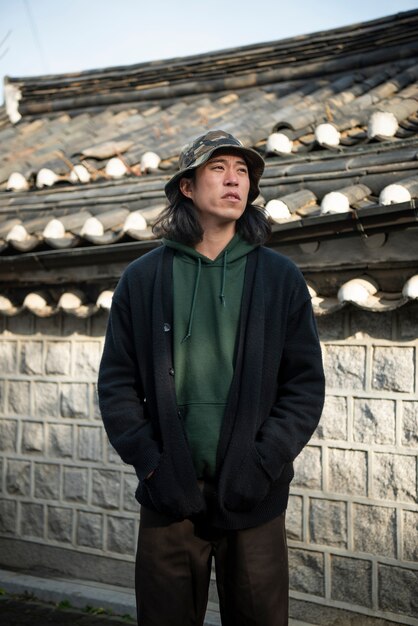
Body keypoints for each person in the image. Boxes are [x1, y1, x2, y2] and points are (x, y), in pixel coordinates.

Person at [98, 129, 325, 626]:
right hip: (169, 497)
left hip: (255, 496)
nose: (234, 181)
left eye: (243, 172)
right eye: (219, 169)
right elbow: (116, 383)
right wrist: (153, 466)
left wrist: (263, 462)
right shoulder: (144, 279)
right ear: (186, 186)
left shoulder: (279, 277)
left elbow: (304, 386)